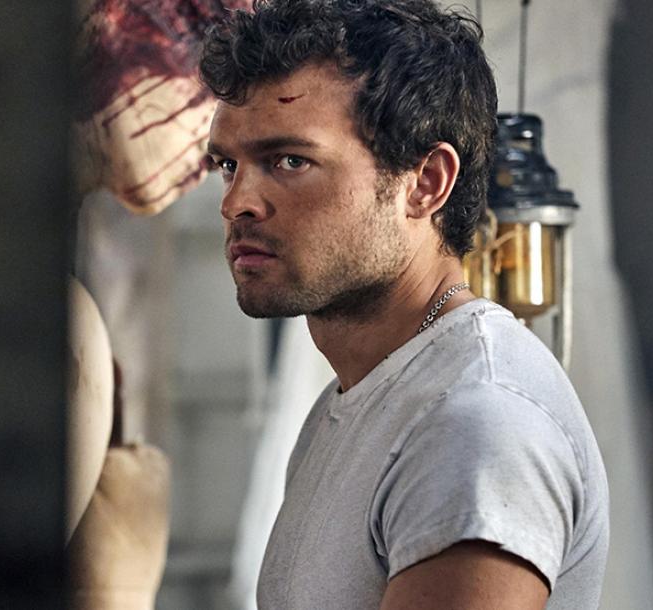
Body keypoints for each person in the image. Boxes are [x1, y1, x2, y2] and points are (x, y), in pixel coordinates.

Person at [199, 0, 609, 608]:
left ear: (425, 183)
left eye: (290, 161)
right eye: (228, 165)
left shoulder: (477, 422)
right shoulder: (350, 401)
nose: (237, 202)